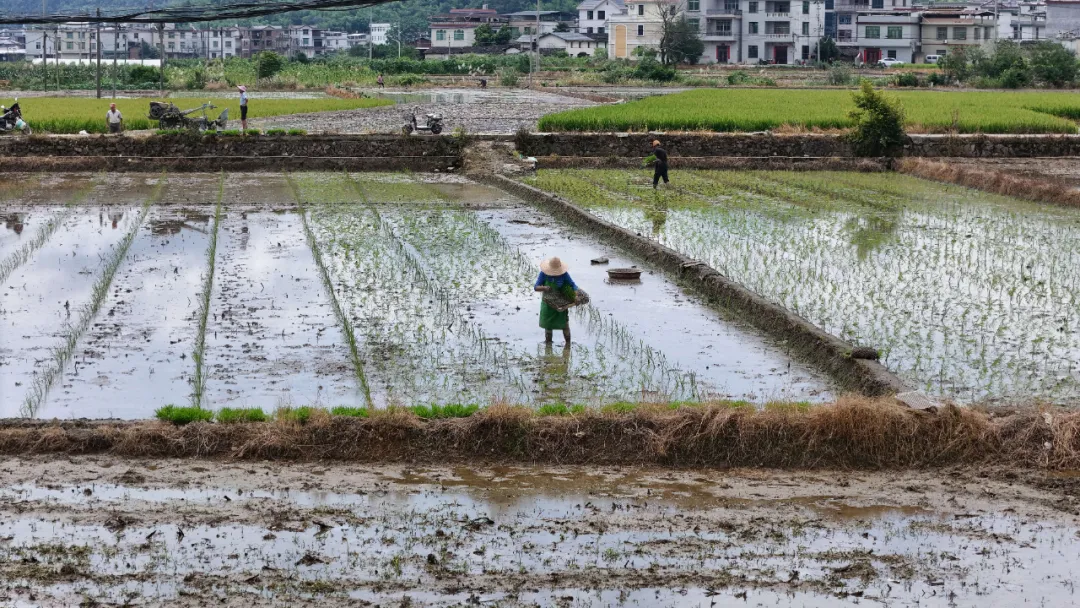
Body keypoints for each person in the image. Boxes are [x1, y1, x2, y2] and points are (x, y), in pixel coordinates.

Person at [534, 257, 579, 345]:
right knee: (548, 325)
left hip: (561, 303)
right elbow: (536, 287)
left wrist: (576, 296)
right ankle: (548, 344)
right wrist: (544, 288)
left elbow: (573, 285)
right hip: (548, 303)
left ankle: (568, 345)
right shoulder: (543, 274)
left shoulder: (564, 275)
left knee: (565, 325)